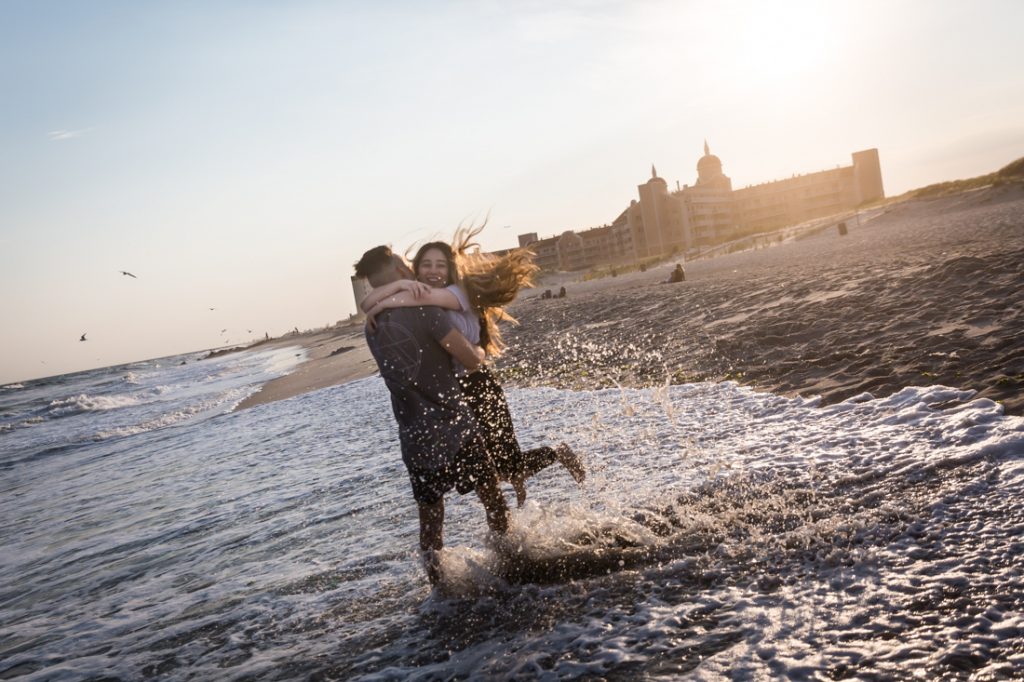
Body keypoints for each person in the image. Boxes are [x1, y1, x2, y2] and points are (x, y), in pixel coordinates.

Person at [361, 227, 585, 507]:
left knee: (506, 466)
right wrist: (391, 294)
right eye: (425, 265)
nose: (432, 271)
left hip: (479, 384)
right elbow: (368, 302)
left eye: (439, 265)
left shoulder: (456, 292)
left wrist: (390, 295)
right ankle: (516, 487)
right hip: (458, 392)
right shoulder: (424, 292)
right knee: (488, 470)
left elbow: (375, 302)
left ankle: (559, 452)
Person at [354, 245, 510, 585]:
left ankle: (440, 592)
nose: (412, 266)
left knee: (430, 523)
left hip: (415, 440)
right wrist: (481, 350)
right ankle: (511, 566)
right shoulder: (426, 311)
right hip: (455, 428)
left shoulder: (371, 326)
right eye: (406, 262)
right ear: (398, 270)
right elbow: (469, 360)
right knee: (493, 501)